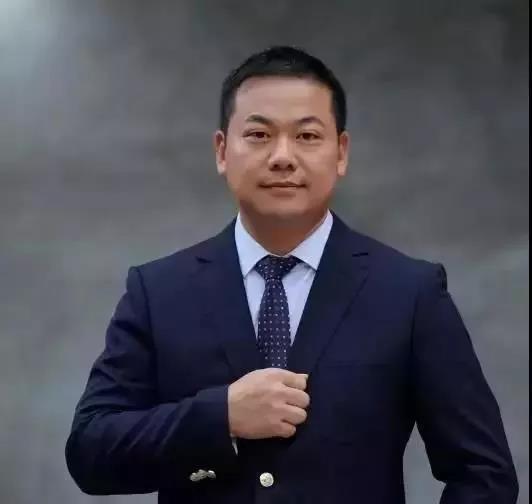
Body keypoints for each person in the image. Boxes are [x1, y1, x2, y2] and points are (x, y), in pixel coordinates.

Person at [65, 46, 519, 503]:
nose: (282, 157)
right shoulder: (159, 291)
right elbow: (90, 450)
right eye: (259, 134)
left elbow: (484, 473)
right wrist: (220, 417)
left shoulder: (408, 293)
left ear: (341, 153)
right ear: (222, 151)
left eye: (307, 136)